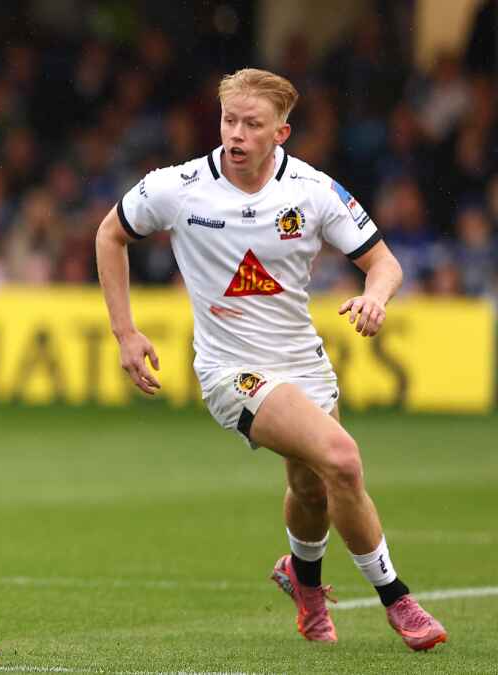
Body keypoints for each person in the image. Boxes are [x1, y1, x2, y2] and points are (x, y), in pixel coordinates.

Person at [95, 68, 447, 652]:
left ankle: (303, 584)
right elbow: (110, 234)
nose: (235, 134)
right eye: (229, 120)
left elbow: (384, 263)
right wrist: (125, 332)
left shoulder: (312, 190)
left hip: (303, 362)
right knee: (343, 458)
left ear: (281, 133)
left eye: (252, 124)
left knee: (312, 489)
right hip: (231, 371)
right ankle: (398, 598)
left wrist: (374, 297)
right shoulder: (178, 187)